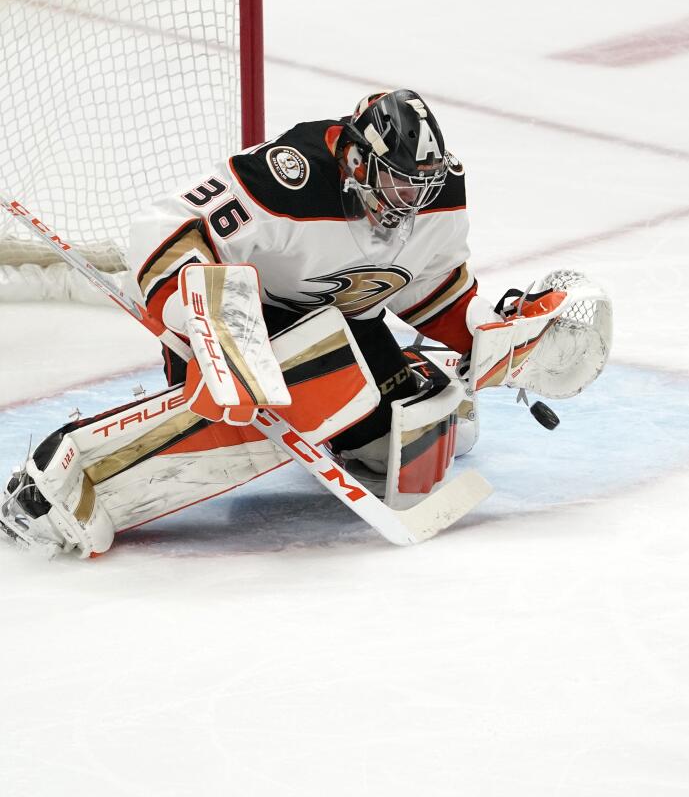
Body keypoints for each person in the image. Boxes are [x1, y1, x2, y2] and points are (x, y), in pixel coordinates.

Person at [0, 89, 611, 557]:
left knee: (406, 444)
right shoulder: (294, 176)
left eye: (420, 184)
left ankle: (410, 381)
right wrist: (217, 328)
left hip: (343, 328)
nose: (410, 200)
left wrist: (494, 336)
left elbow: (431, 290)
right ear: (359, 159)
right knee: (321, 378)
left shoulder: (438, 193)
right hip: (239, 327)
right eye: (397, 181)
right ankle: (57, 480)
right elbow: (167, 230)